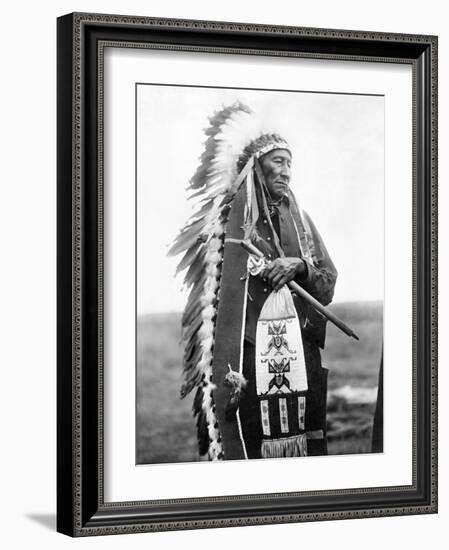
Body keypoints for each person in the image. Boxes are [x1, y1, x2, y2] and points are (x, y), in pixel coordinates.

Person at [169, 102, 337, 460]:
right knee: (252, 451)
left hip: (301, 357)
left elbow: (328, 283)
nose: (287, 171)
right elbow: (210, 304)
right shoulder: (225, 226)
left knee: (306, 449)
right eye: (278, 161)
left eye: (290, 163)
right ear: (255, 165)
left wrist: (301, 268)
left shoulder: (302, 224)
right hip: (246, 362)